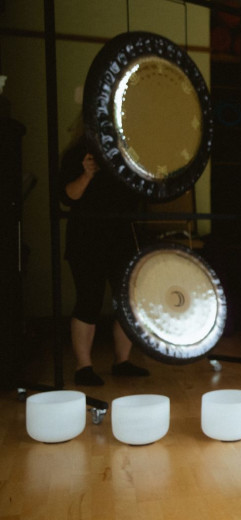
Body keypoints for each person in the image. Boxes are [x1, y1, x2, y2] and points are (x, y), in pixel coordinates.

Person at [60, 117, 150, 386]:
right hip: (87, 238)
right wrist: (87, 174)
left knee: (127, 302)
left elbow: (141, 192)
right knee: (88, 299)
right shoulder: (77, 154)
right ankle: (83, 366)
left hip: (120, 237)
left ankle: (122, 361)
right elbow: (67, 197)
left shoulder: (128, 153)